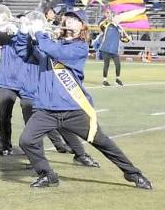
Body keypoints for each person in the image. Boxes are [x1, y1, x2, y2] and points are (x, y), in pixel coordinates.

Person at [16, 10, 152, 190]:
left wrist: (39, 32)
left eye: (75, 20)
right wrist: (23, 34)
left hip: (73, 109)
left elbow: (54, 50)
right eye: (68, 18)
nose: (70, 21)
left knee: (103, 143)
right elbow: (23, 53)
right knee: (26, 140)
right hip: (46, 109)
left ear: (82, 27)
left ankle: (133, 173)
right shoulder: (51, 42)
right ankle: (48, 175)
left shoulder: (79, 47)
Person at [0, 21, 98, 167]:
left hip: (31, 85)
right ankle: (29, 156)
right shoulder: (11, 37)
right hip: (9, 82)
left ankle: (78, 152)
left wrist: (37, 34)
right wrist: (15, 31)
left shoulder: (41, 40)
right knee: (28, 123)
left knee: (58, 123)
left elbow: (46, 51)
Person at [98, 9, 130, 86]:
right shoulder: (107, 25)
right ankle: (105, 80)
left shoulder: (120, 29)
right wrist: (107, 18)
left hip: (114, 50)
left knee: (118, 64)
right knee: (106, 65)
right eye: (116, 18)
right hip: (106, 49)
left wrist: (128, 39)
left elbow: (123, 39)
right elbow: (100, 25)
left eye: (118, 19)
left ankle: (117, 79)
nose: (117, 19)